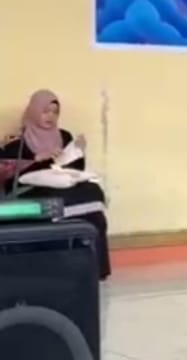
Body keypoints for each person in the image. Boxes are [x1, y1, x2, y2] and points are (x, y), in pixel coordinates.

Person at [0, 90, 111, 281]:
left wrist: (77, 152)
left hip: (61, 186)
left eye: (55, 112)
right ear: (34, 111)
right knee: (56, 199)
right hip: (32, 191)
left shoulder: (64, 136)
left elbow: (75, 169)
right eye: (45, 111)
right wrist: (37, 159)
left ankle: (95, 270)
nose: (50, 116)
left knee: (92, 195)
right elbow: (8, 176)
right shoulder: (17, 143)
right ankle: (57, 266)